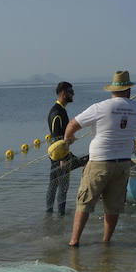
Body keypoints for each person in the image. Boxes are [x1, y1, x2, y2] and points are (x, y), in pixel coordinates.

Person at [63, 70, 136, 247]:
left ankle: (74, 241)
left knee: (85, 202)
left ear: (113, 89)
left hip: (99, 162)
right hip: (123, 164)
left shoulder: (100, 107)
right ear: (128, 90)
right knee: (113, 206)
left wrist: (68, 140)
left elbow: (73, 124)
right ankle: (106, 241)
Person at [46, 81, 81, 215]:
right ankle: (60, 215)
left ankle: (50, 216)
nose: (73, 94)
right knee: (62, 186)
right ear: (63, 93)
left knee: (54, 185)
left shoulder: (61, 110)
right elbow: (56, 138)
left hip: (58, 154)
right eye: (71, 92)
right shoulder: (57, 113)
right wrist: (62, 159)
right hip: (60, 155)